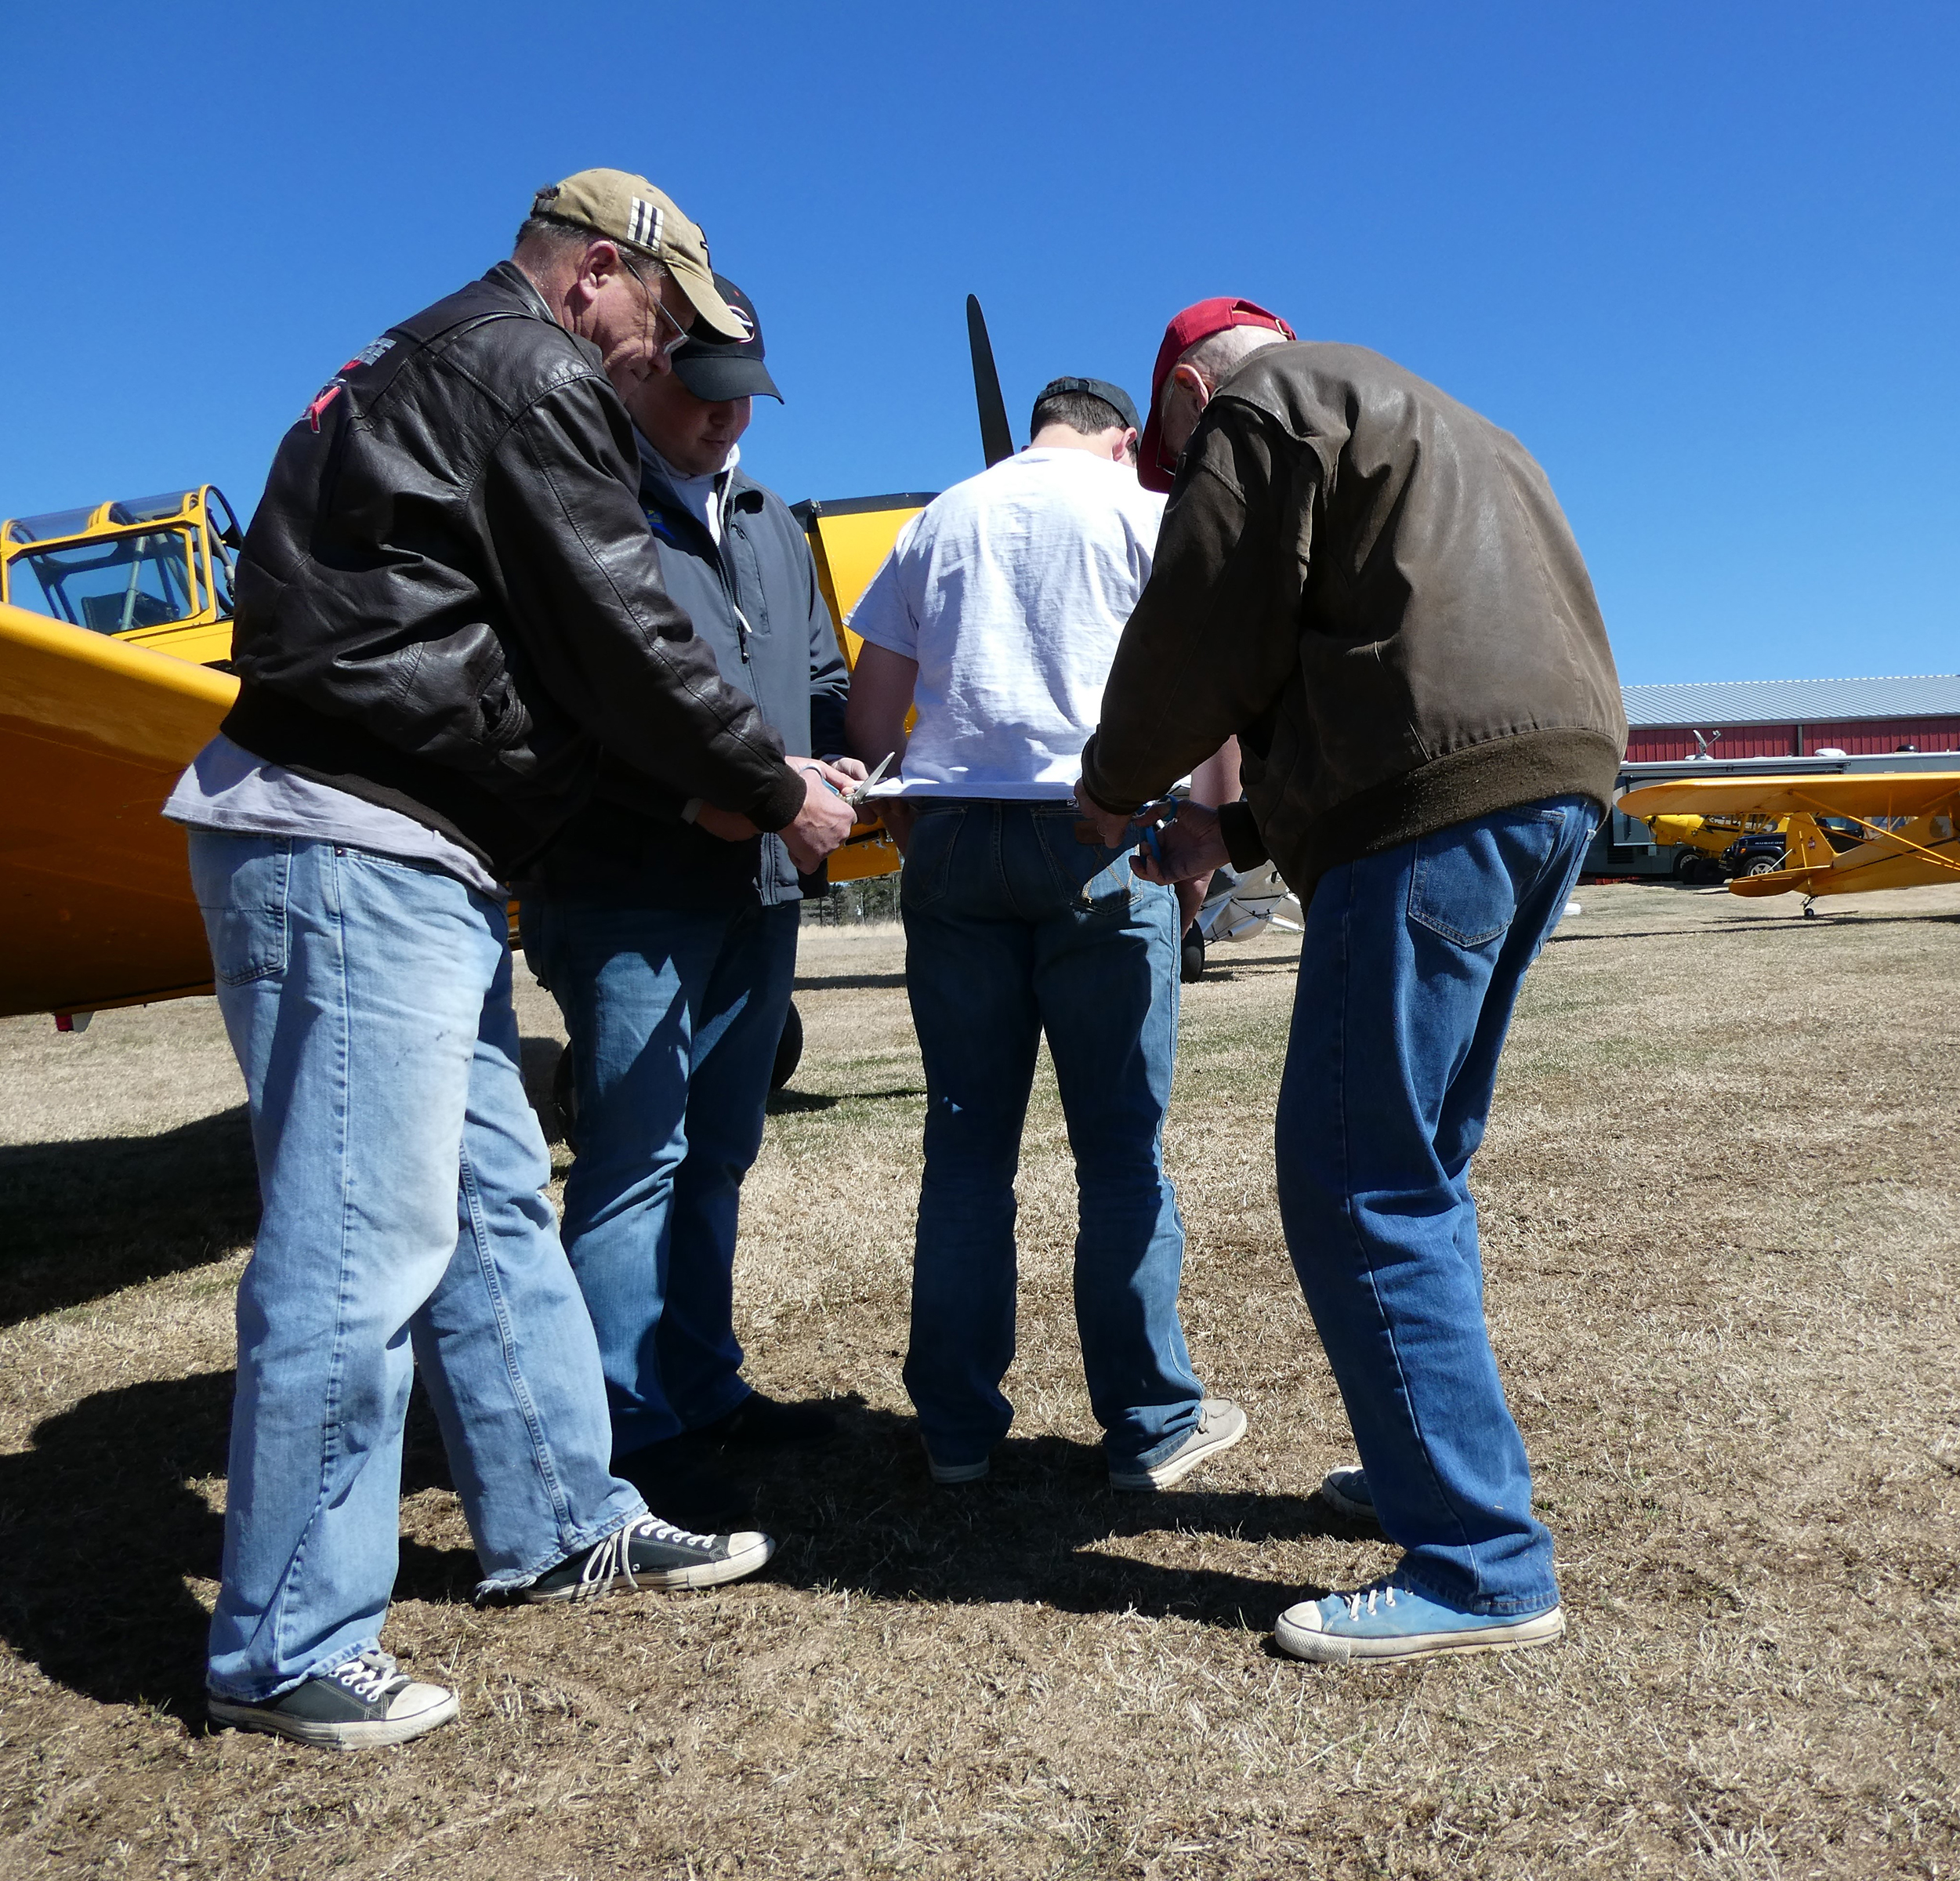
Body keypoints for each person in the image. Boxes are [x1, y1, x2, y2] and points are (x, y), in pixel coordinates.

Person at [162, 171, 859, 1750]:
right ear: (596, 275)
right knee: (359, 1246)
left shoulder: (441, 356)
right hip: (353, 834)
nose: (657, 361)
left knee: (484, 1202)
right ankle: (280, 1641)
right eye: (661, 323)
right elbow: (620, 622)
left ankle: (556, 1514)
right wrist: (773, 782)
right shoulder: (529, 366)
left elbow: (551, 642)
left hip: (417, 841)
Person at [1075, 299, 1625, 1663]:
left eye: (1170, 455)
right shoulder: (1454, 423)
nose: (1178, 477)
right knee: (1420, 1160)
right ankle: (1426, 1463)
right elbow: (1395, 658)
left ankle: (1481, 1561)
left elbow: (1206, 623)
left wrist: (1112, 781)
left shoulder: (1265, 411)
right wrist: (1242, 827)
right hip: (1548, 788)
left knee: (1357, 1173)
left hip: (1425, 817)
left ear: (1190, 394)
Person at [843, 376, 1244, 1491]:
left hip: (960, 840)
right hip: (1104, 830)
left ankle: (960, 1431)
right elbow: (1205, 695)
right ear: (1124, 441)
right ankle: (1150, 1424)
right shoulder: (1147, 516)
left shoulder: (943, 518)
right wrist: (1203, 840)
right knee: (1119, 1151)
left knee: (968, 1147)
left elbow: (874, 728)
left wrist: (926, 829)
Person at [518, 272, 854, 1532]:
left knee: (717, 1151)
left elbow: (819, 676)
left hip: (761, 888)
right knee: (632, 1161)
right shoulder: (578, 506)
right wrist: (688, 806)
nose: (730, 421)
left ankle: (702, 1389)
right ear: (643, 371)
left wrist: (835, 765)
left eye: (746, 398)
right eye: (707, 396)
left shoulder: (771, 517)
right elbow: (555, 709)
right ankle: (624, 1430)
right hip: (625, 892)